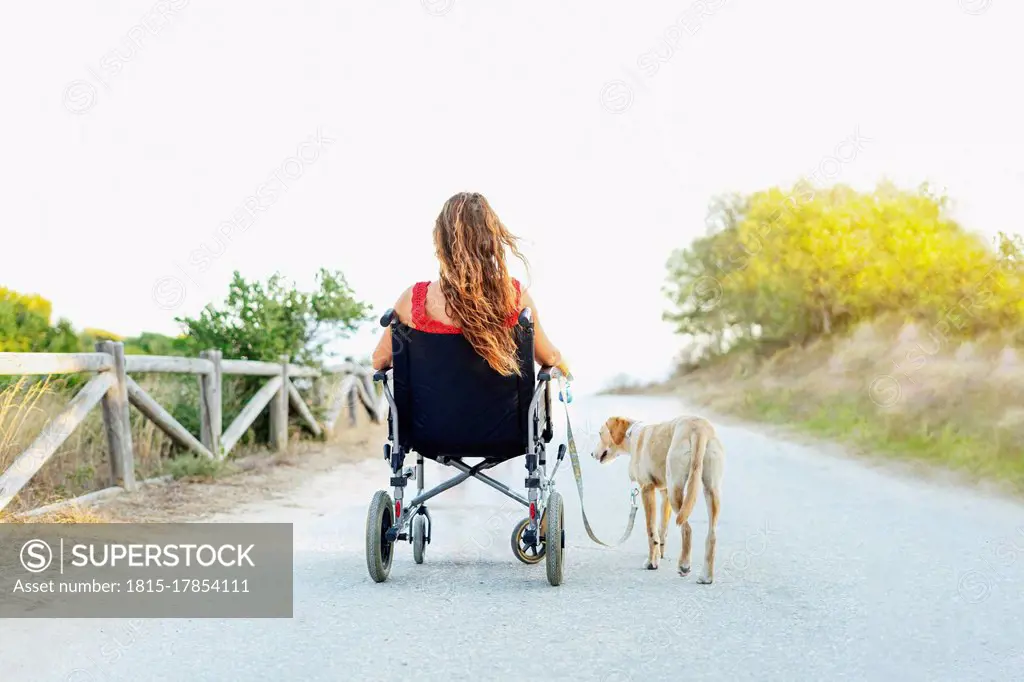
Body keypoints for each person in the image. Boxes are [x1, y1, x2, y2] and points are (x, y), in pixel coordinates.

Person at [371, 192, 570, 379]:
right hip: (505, 416)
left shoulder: (412, 301)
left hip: (428, 417)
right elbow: (549, 357)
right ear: (490, 239)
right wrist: (562, 364)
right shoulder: (514, 296)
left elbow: (379, 360)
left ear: (441, 240)